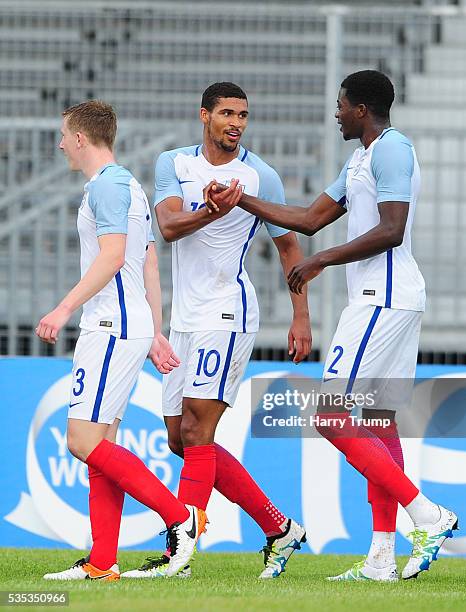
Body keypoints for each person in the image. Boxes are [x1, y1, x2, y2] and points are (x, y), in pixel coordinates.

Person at [204, 71, 458, 581]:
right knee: (380, 421)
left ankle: (426, 515)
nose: (336, 113)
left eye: (341, 105)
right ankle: (382, 557)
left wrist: (321, 262)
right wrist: (241, 200)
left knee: (331, 415)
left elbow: (392, 229)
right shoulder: (361, 157)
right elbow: (308, 217)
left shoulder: (391, 149)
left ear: (361, 108)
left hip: (381, 298)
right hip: (388, 298)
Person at [122, 82, 312, 580]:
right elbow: (167, 226)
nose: (236, 123)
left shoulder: (260, 175)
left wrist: (301, 316)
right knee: (178, 440)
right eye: (227, 113)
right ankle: (279, 528)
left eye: (243, 115)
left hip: (228, 314)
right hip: (184, 319)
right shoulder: (174, 164)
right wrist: (211, 210)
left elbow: (289, 247)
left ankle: (178, 555)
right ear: (204, 115)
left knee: (196, 430)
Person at [38, 100, 204, 581]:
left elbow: (113, 257)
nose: (61, 143)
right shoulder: (129, 185)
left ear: (83, 138)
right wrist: (154, 330)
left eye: (65, 135)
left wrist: (64, 308)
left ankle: (179, 516)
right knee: (102, 443)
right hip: (127, 326)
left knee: (81, 440)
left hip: (109, 328)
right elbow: (147, 262)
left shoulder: (107, 187)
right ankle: (102, 562)